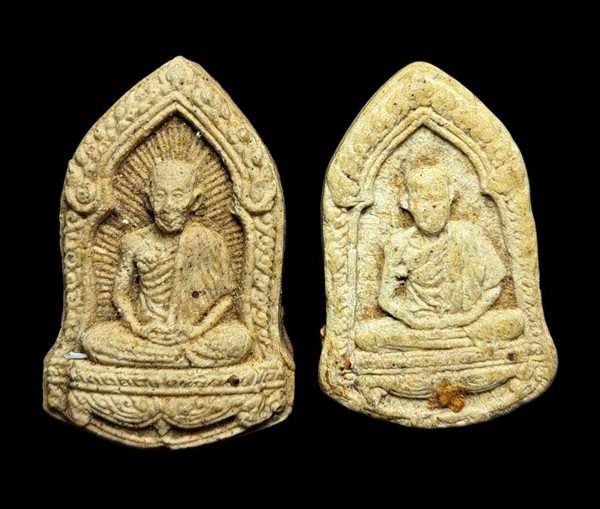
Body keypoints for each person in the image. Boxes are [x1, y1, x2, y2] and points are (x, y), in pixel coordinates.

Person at [81, 159, 252, 367]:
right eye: (160, 196)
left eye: (178, 195)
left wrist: (197, 330)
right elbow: (120, 295)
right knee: (94, 339)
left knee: (240, 339)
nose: (168, 206)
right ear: (148, 200)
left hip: (193, 334)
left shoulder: (210, 241)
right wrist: (137, 328)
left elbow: (225, 298)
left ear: (195, 200)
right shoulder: (133, 242)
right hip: (146, 333)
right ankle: (180, 360)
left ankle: (158, 360)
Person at [356, 162, 524, 352]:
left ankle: (439, 345)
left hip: (467, 322)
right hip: (418, 324)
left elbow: (494, 287)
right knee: (365, 335)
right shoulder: (398, 244)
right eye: (424, 201)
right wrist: (412, 320)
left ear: (450, 198)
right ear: (408, 203)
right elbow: (385, 300)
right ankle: (457, 344)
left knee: (515, 321)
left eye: (438, 199)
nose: (433, 207)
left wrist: (468, 317)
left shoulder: (468, 234)